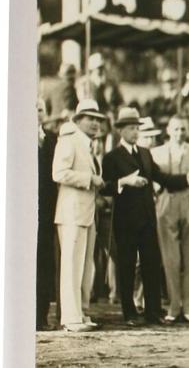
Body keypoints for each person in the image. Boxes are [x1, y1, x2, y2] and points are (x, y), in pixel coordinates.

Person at [101, 107, 189, 326]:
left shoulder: (144, 153)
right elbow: (105, 187)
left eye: (136, 128)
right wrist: (125, 182)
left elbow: (161, 177)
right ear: (121, 131)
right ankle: (130, 313)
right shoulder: (112, 157)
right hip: (125, 221)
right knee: (126, 266)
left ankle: (153, 312)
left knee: (151, 265)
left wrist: (186, 179)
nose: (135, 132)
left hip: (148, 219)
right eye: (131, 128)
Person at [52, 99, 108, 332]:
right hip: (72, 212)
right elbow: (59, 173)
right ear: (78, 120)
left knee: (86, 267)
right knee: (72, 265)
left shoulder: (88, 145)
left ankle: (81, 311)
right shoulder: (69, 141)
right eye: (90, 118)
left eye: (98, 119)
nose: (95, 123)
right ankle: (70, 317)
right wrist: (89, 180)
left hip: (86, 212)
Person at [151, 116, 189, 323]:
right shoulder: (157, 152)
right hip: (167, 203)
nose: (180, 133)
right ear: (168, 131)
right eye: (176, 129)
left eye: (183, 129)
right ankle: (173, 306)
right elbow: (155, 179)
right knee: (170, 258)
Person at [37, 98, 60, 330]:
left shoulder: (53, 140)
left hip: (47, 211)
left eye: (41, 109)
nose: (37, 112)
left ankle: (41, 317)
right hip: (24, 211)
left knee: (44, 262)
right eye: (34, 108)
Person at [79, 53, 124, 119]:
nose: (100, 71)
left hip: (108, 117)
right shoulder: (84, 84)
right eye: (98, 68)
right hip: (92, 116)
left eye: (102, 68)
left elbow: (120, 102)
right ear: (92, 69)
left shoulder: (111, 84)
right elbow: (82, 103)